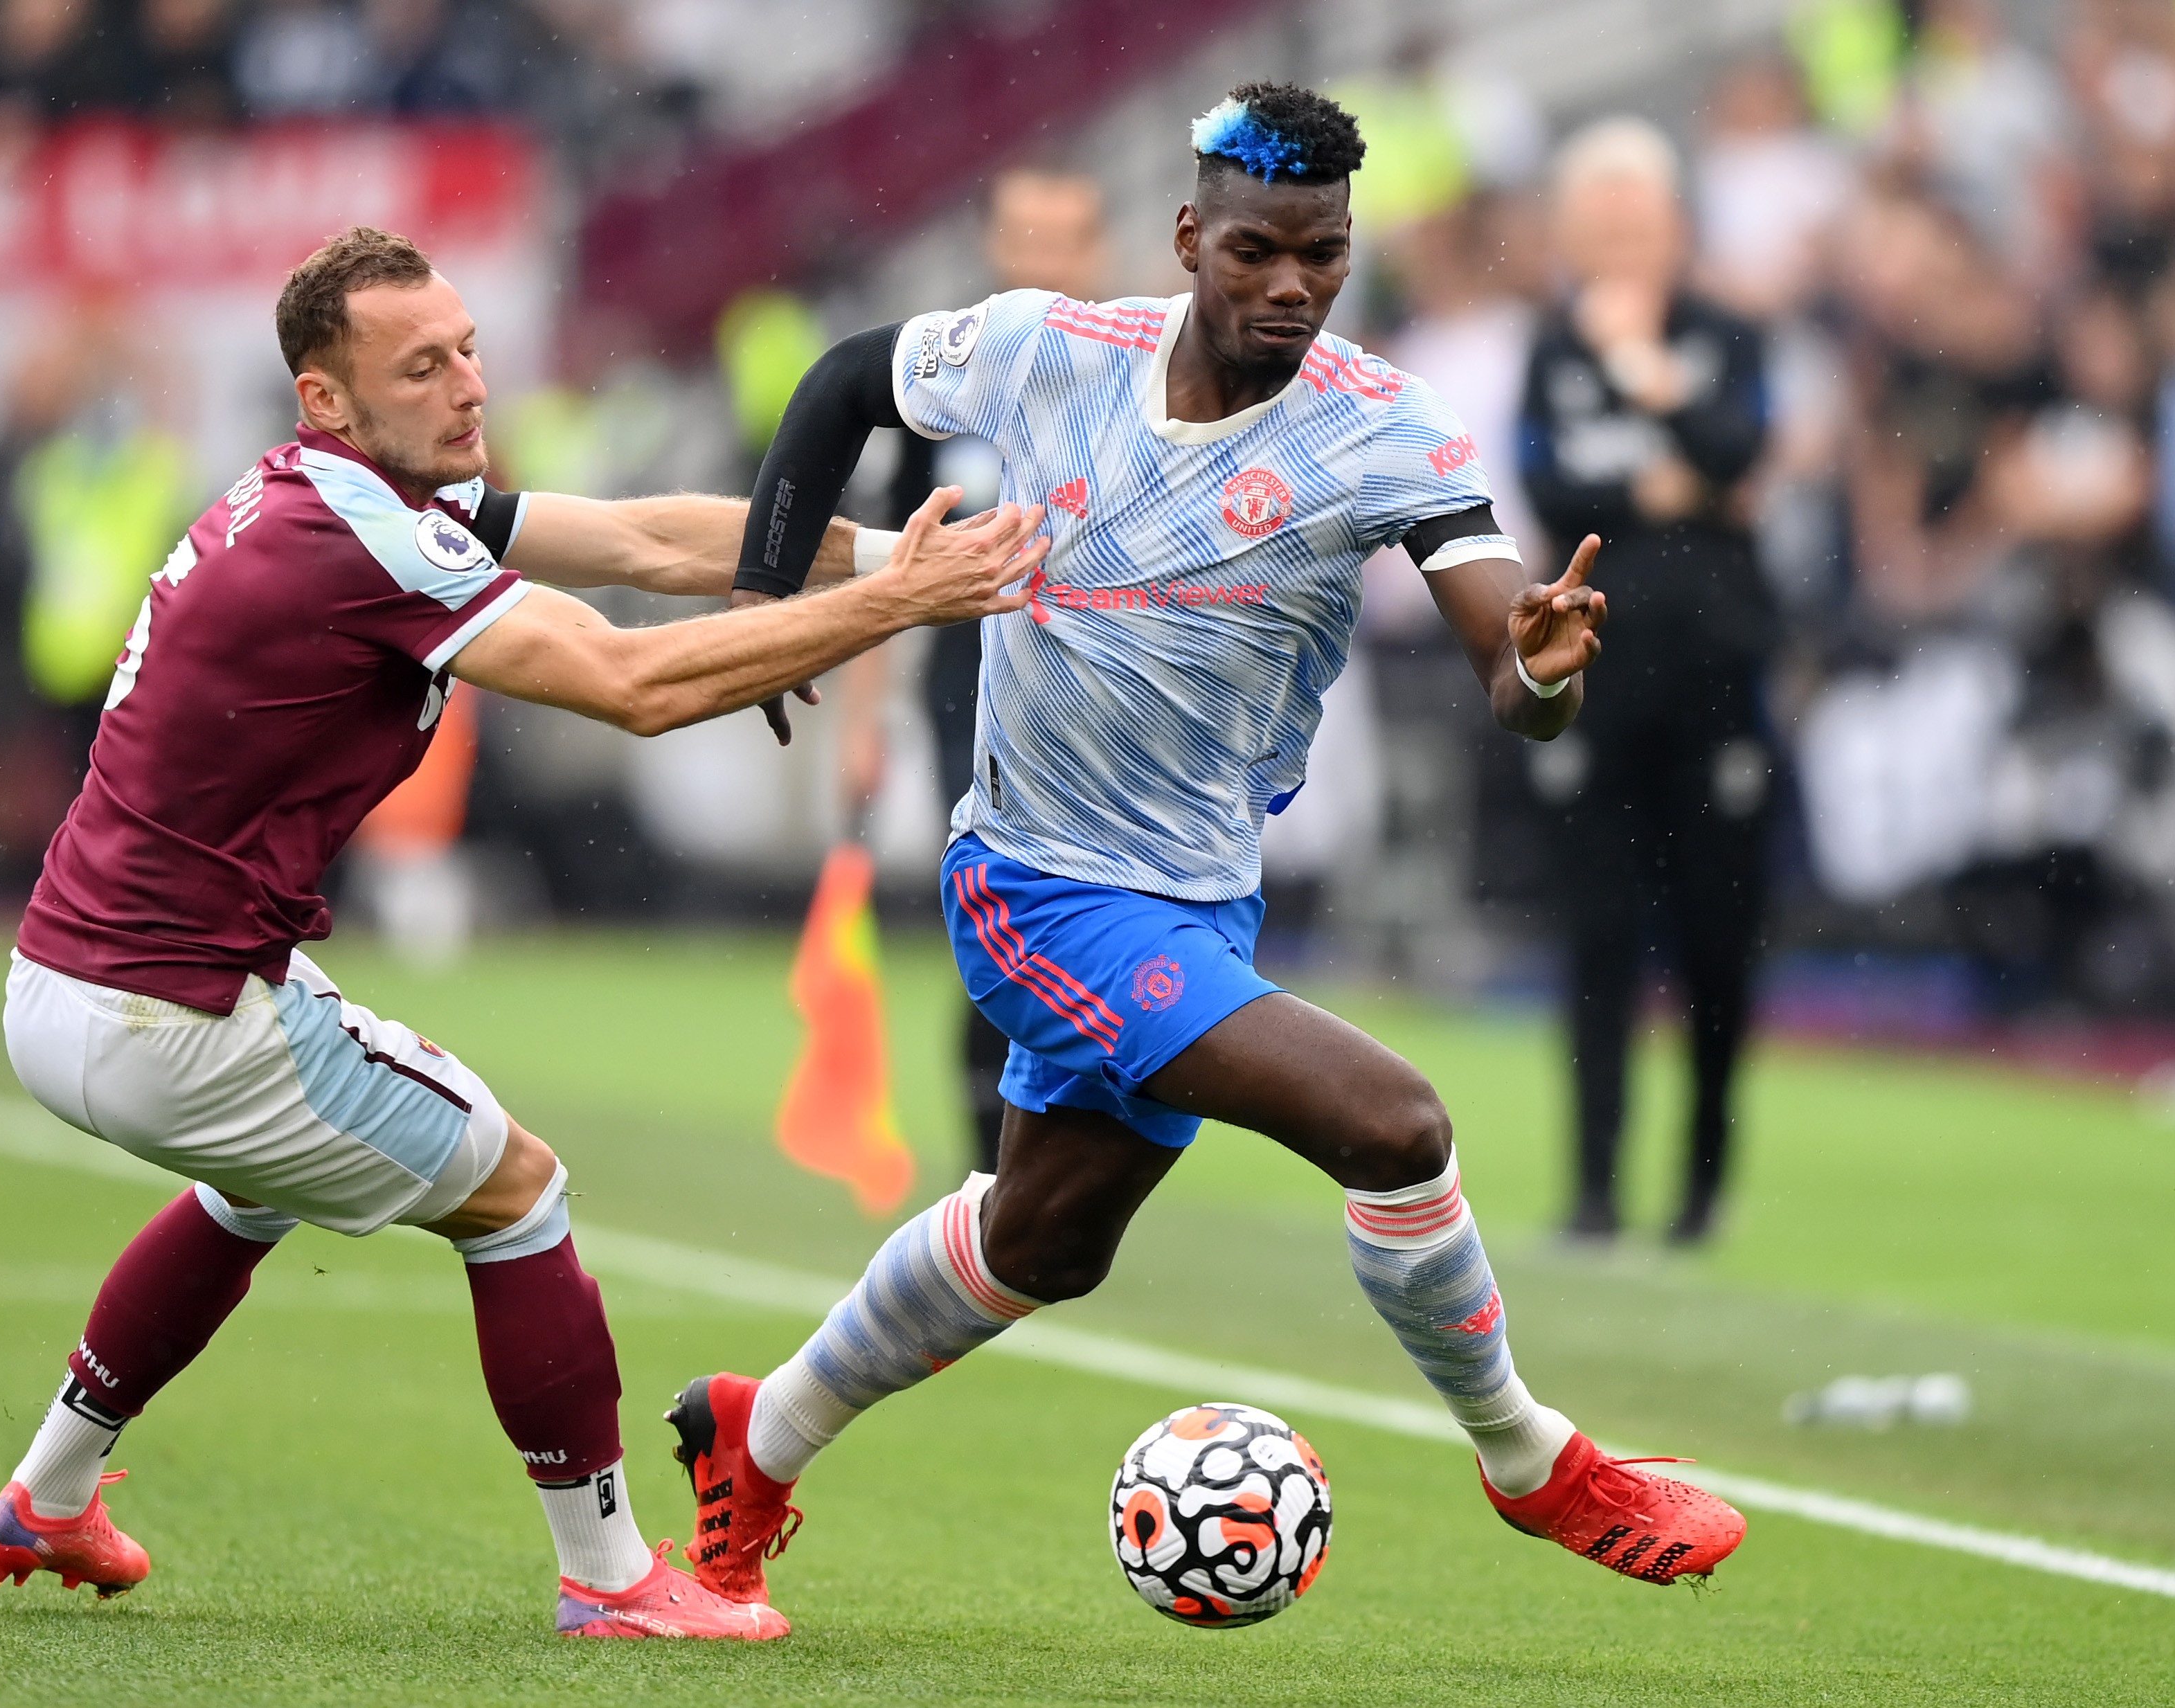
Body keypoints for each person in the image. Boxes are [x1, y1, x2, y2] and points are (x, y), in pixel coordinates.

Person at [671, 83, 1746, 1620]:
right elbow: (849, 378)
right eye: (1257, 251)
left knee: (1042, 1241)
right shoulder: (1055, 352)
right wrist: (777, 601)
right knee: (1393, 1123)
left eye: (1323, 254)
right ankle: (1533, 1462)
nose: (1292, 285)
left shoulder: (1380, 428)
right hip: (1036, 886)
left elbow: (1514, 687)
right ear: (1190, 237)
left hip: (1198, 907)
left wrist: (1548, 664)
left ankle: (753, 1438)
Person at [0, 225, 1044, 1640]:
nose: (468, 383)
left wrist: (888, 548)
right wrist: (891, 603)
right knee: (516, 1188)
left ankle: (49, 1492)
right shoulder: (362, 538)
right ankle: (610, 1579)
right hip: (174, 1014)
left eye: (468, 346)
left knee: (260, 1183)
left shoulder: (353, 498)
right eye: (422, 365)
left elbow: (653, 538)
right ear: (327, 400)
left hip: (67, 987)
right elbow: (634, 682)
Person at [1516, 119, 1773, 1246]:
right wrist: (1665, 473)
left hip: (1720, 678)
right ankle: (1594, 1190)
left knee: (1718, 940)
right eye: (1598, 224)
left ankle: (1703, 1187)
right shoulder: (1546, 345)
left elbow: (1732, 454)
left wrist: (1639, 374)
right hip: (1598, 680)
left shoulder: (1727, 331)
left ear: (1677, 226)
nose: (1617, 244)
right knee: (1597, 937)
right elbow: (1550, 487)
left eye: (1637, 220)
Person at [840, 165, 1110, 1176]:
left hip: (1118, 695)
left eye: (1063, 239)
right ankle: (991, 1158)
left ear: (1096, 250)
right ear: (994, 245)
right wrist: (864, 722)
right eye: (1024, 237)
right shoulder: (948, 381)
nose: (1041, 260)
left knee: (1102, 918)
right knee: (1013, 910)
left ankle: (1067, 1145)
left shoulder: (1151, 375)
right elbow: (881, 558)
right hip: (985, 686)